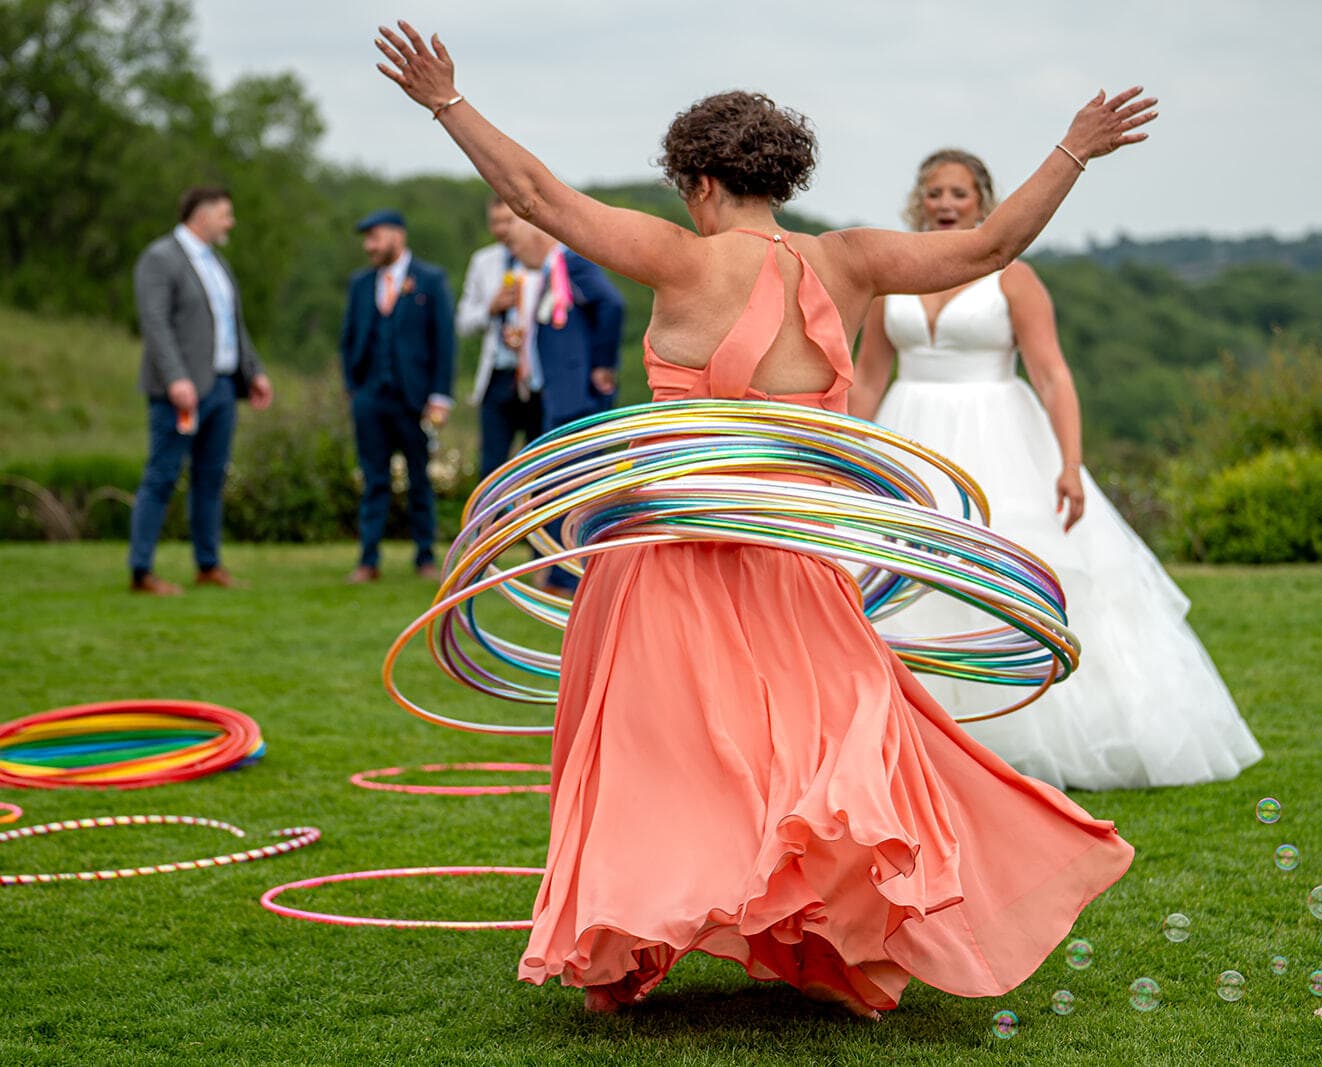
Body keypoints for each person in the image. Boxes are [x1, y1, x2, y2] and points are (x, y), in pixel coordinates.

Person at [375, 20, 1154, 1018]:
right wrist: (1073, 150)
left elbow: (536, 196)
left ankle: (628, 943)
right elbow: (992, 245)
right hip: (800, 556)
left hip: (671, 554)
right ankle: (822, 938)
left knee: (655, 755)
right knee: (817, 745)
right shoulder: (853, 259)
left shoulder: (677, 256)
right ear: (778, 176)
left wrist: (446, 102)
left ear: (699, 181)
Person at [850, 149, 1263, 792]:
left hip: (998, 436)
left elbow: (1051, 374)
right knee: (903, 579)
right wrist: (845, 453)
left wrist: (1070, 463)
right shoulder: (893, 279)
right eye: (934, 192)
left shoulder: (1013, 278)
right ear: (918, 201)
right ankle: (917, 739)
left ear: (983, 201)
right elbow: (870, 377)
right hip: (910, 440)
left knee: (1007, 574)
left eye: (959, 192)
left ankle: (1021, 736)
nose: (945, 204)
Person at [457, 204, 625, 591]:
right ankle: (558, 572)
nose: (515, 252)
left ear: (536, 236)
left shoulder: (572, 263)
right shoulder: (550, 270)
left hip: (575, 395)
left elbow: (611, 304)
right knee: (554, 481)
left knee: (569, 483)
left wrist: (602, 364)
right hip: (555, 391)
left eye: (516, 243)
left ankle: (568, 574)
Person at [129, 186, 274, 595]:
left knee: (211, 479)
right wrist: (176, 378)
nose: (231, 222)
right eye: (225, 214)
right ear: (202, 215)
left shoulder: (217, 263)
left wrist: (255, 371)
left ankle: (208, 565)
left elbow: (232, 324)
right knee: (162, 476)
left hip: (223, 387)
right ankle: (141, 571)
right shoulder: (160, 258)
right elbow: (155, 324)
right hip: (181, 392)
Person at [338, 209, 456, 583]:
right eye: (367, 239)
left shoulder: (430, 280)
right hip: (370, 397)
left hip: (415, 398)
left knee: (419, 479)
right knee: (373, 479)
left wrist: (440, 396)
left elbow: (444, 342)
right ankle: (368, 560)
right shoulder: (360, 283)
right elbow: (348, 338)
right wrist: (353, 387)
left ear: (397, 236)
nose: (368, 246)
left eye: (374, 237)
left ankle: (425, 557)